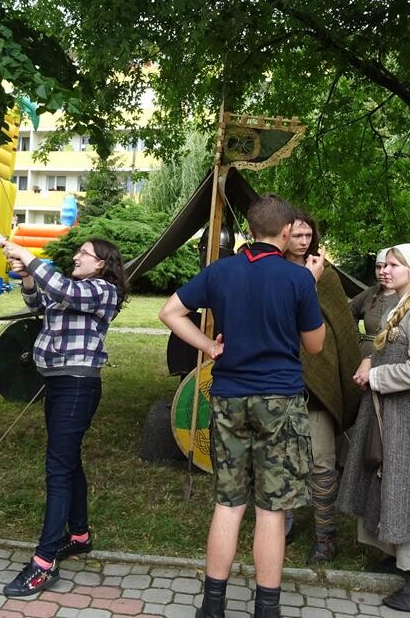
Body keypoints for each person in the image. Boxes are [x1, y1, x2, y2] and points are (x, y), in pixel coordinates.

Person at [159, 194, 325, 618]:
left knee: (228, 504)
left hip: (229, 396)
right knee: (271, 510)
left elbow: (170, 312)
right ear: (286, 232)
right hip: (280, 402)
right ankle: (265, 610)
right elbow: (316, 344)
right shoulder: (298, 278)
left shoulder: (220, 271)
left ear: (250, 230)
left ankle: (211, 608)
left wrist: (208, 347)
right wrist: (312, 285)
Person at [0, 237, 126, 598]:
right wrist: (26, 276)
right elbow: (38, 300)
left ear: (102, 263)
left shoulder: (103, 291)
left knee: (57, 468)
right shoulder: (73, 289)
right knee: (68, 462)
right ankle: (80, 535)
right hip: (57, 383)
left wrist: (28, 255)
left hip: (77, 386)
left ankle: (43, 563)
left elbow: (62, 288)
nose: (76, 256)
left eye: (83, 253)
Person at [336, 244, 410, 613]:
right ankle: (395, 551)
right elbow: (389, 349)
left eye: (394, 265)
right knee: (385, 483)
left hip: (406, 415)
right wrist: (371, 358)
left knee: (409, 489)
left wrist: (376, 374)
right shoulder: (396, 307)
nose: (385, 270)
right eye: (383, 264)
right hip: (386, 409)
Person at [283, 211, 362, 562]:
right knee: (281, 460)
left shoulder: (326, 276)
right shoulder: (273, 271)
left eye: (307, 235)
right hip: (281, 381)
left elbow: (338, 330)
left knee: (322, 461)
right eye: (296, 235)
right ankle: (279, 526)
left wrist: (313, 281)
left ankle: (325, 536)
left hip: (318, 386)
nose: (302, 241)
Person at [349, 248, 399, 358]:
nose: (381, 272)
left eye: (385, 266)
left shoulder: (406, 296)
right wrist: (355, 336)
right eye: (378, 267)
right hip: (364, 356)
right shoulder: (369, 294)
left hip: (393, 360)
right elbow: (349, 311)